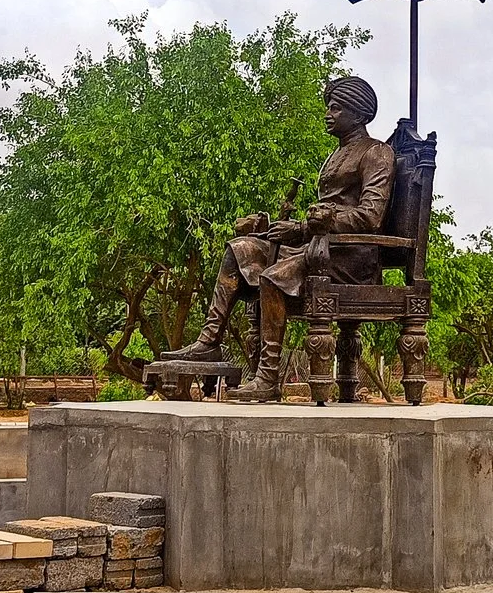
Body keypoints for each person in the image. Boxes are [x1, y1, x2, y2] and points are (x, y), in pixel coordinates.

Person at [161, 75, 392, 402]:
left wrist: (303, 228)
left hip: (349, 259)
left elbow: (370, 216)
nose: (328, 114)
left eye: (336, 108)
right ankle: (209, 342)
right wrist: (273, 225)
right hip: (318, 248)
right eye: (329, 107)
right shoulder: (336, 154)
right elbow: (320, 217)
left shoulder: (376, 152)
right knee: (241, 249)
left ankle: (267, 378)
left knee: (272, 277)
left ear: (359, 114)